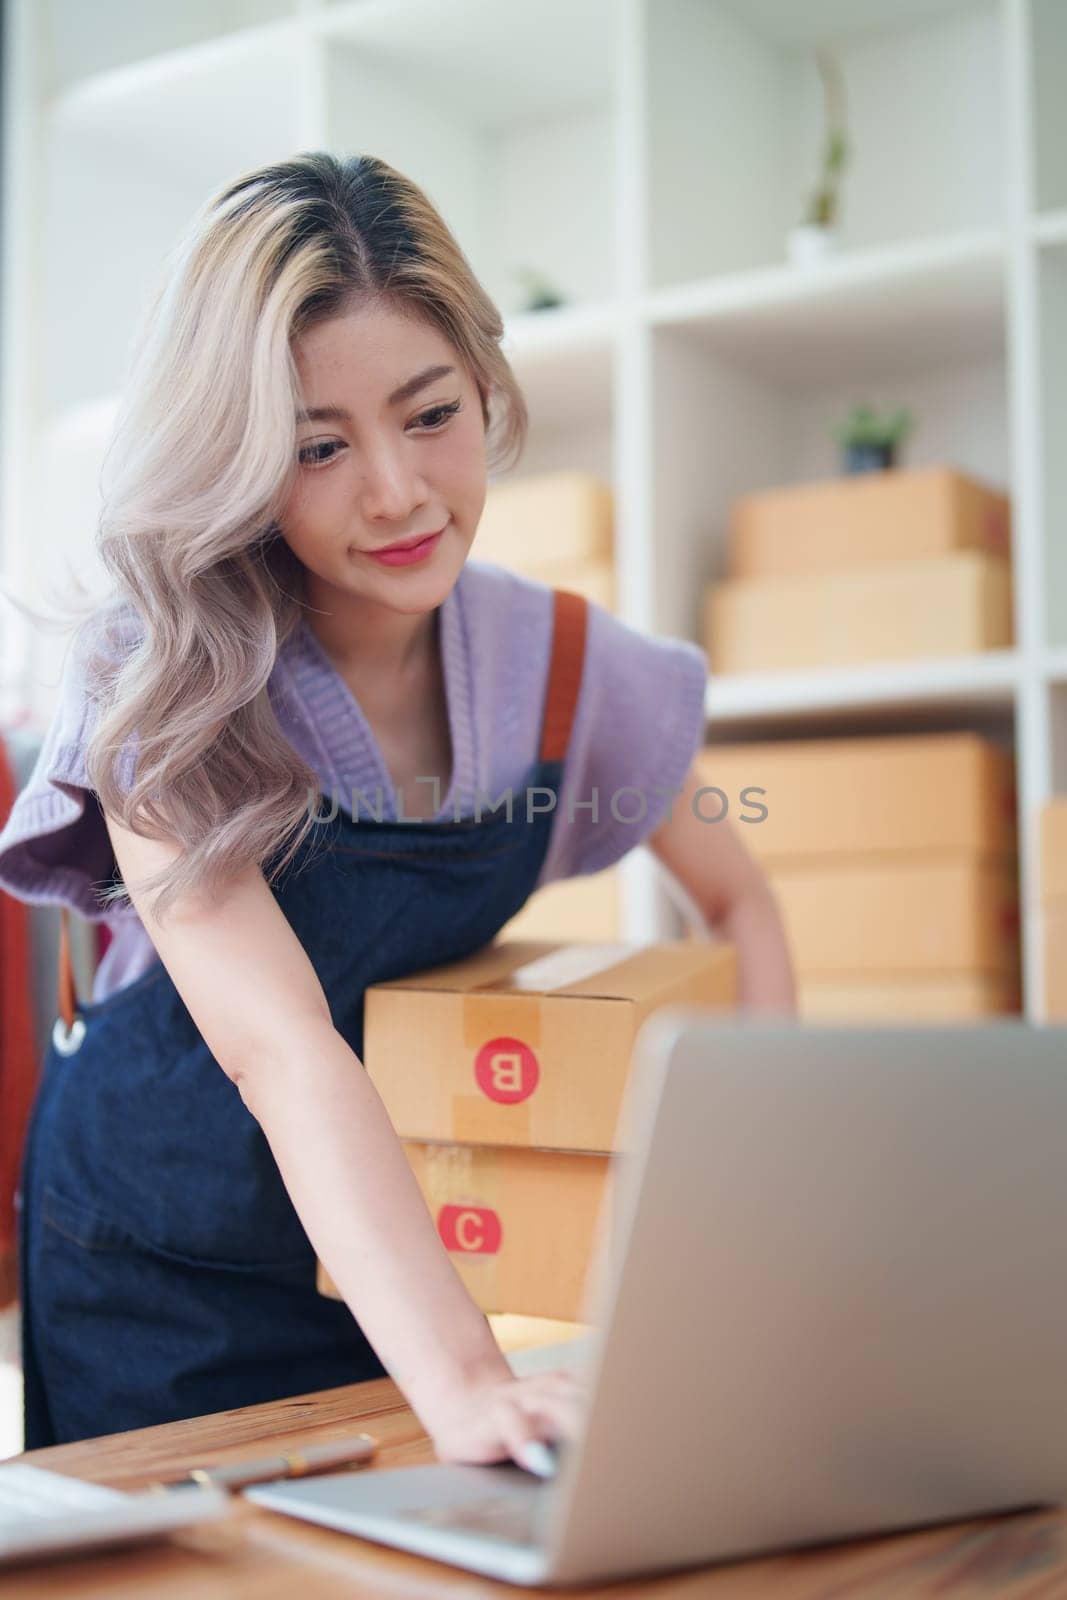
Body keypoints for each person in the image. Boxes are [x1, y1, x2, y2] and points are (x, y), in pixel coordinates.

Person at [0, 153, 796, 1458]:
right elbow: (283, 1050)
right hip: (159, 1264)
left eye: (431, 414)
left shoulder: (573, 672)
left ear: (485, 386)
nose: (398, 490)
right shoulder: (169, 682)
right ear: (238, 460)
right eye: (318, 445)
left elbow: (739, 895)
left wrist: (766, 1184)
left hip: (405, 1257)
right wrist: (468, 1382)